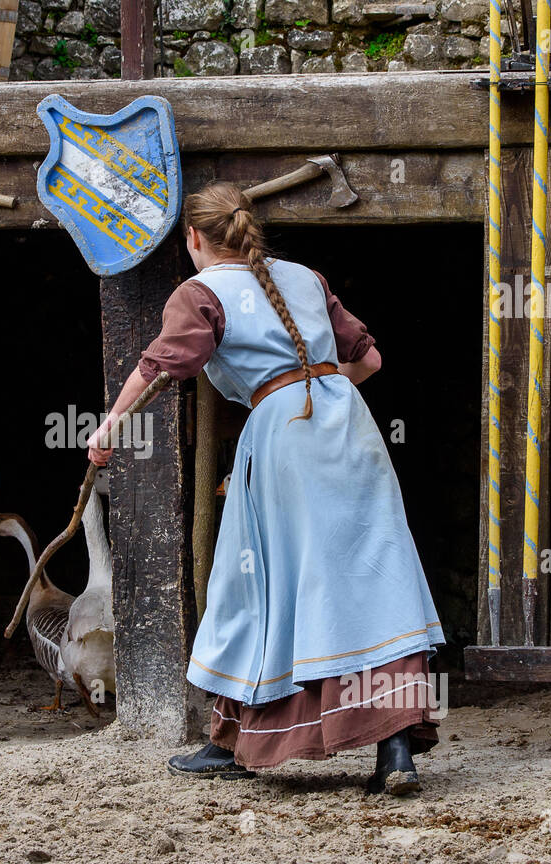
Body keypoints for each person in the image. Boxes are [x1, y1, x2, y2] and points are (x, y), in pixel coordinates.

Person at [86, 182, 446, 795]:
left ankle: (238, 739)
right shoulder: (306, 277)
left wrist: (110, 427)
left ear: (194, 238)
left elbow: (160, 367)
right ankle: (395, 751)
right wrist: (324, 393)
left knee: (257, 583)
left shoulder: (200, 292)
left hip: (284, 432)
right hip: (349, 424)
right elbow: (369, 361)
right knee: (372, 578)